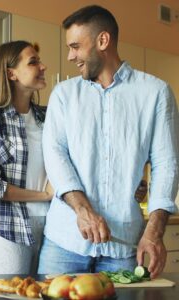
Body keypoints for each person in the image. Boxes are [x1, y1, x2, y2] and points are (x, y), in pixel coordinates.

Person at [39, 5, 179, 279]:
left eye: (76, 46)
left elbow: (166, 163)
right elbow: (55, 154)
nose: (70, 56)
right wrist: (83, 210)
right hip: (64, 243)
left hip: (124, 248)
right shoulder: (63, 95)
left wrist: (154, 230)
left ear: (103, 41)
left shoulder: (156, 93)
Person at [0, 40, 53, 274]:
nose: (43, 66)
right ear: (11, 73)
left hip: (54, 229)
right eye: (33, 62)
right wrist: (44, 195)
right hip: (9, 231)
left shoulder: (49, 117)